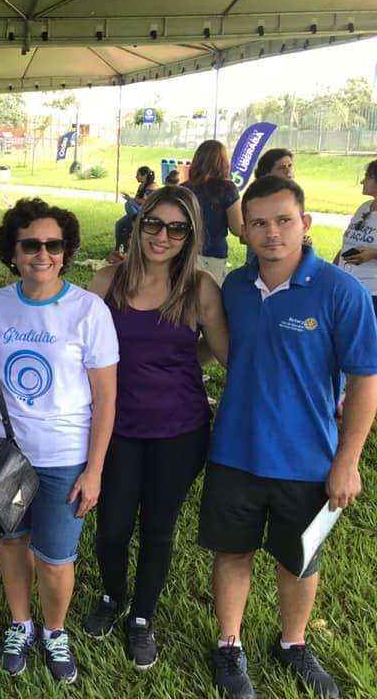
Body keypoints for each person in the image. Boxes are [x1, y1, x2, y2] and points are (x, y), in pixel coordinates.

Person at [198, 176, 377, 699]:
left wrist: (348, 459)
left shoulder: (341, 291)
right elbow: (224, 349)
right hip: (235, 450)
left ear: (306, 223)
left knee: (299, 560)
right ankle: (229, 645)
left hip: (308, 458)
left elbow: (365, 380)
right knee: (232, 553)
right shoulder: (234, 286)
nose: (271, 232)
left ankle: (293, 644)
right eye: (258, 223)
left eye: (283, 220)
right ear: (243, 229)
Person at [84, 186, 229, 669]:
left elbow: (225, 354)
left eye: (176, 227)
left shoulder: (200, 288)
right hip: (117, 427)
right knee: (112, 527)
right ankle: (112, 596)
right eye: (153, 224)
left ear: (190, 234)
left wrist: (180, 362)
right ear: (139, 223)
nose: (162, 236)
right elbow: (74, 348)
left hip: (179, 430)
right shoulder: (108, 280)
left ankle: (142, 616)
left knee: (158, 529)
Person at [0, 198, 118, 684]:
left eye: (54, 245)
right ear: (13, 252)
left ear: (66, 251)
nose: (43, 254)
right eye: (31, 244)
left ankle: (54, 629)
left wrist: (95, 469)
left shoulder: (88, 310)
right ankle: (21, 624)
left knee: (56, 557)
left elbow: (106, 398)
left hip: (64, 457)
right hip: (6, 454)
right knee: (14, 542)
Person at [183, 140, 243, 285]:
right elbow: (237, 229)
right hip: (213, 255)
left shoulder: (183, 189)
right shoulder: (228, 189)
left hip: (184, 253)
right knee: (210, 301)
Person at [334, 159, 377, 316]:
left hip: (371, 293)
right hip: (346, 286)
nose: (362, 181)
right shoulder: (364, 207)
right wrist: (334, 268)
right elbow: (349, 241)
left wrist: (373, 254)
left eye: (368, 176)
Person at [114, 166, 158, 249]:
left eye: (138, 175)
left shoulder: (152, 187)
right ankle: (119, 247)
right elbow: (137, 200)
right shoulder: (141, 185)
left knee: (129, 204)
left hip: (147, 212)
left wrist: (131, 199)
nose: (136, 177)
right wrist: (130, 198)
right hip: (138, 212)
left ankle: (137, 222)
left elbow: (147, 202)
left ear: (144, 175)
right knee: (119, 224)